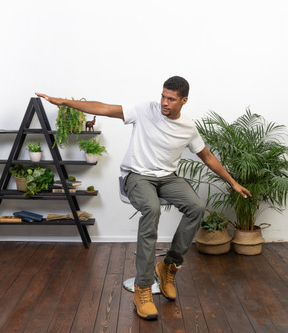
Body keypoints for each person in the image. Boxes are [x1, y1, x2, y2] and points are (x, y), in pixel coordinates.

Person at [36, 76, 251, 321]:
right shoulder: (145, 110)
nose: (164, 102)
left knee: (196, 206)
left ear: (184, 101)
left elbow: (208, 156)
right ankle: (143, 288)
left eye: (171, 99)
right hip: (137, 176)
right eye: (163, 96)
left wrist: (232, 182)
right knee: (152, 209)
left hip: (168, 178)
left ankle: (169, 266)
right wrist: (64, 102)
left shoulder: (188, 128)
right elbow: (105, 108)